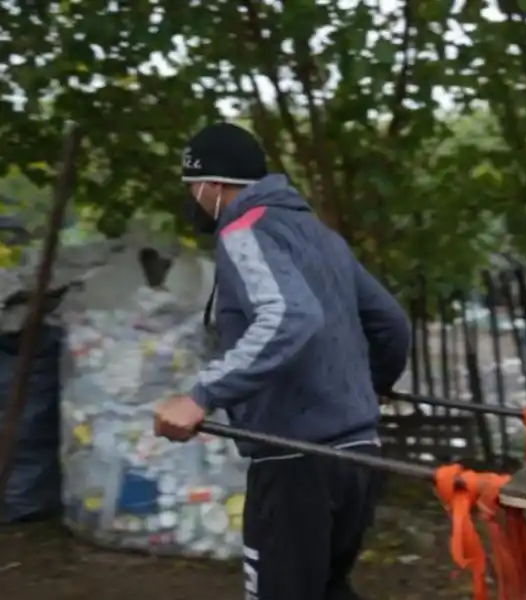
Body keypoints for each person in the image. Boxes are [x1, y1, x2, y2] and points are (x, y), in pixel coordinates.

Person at [154, 122, 410, 600]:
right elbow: (391, 323)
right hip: (357, 453)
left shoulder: (242, 231)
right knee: (329, 589)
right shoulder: (321, 236)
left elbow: (290, 316)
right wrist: (371, 385)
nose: (191, 197)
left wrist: (200, 396)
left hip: (296, 459)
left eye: (191, 186)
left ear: (212, 184)